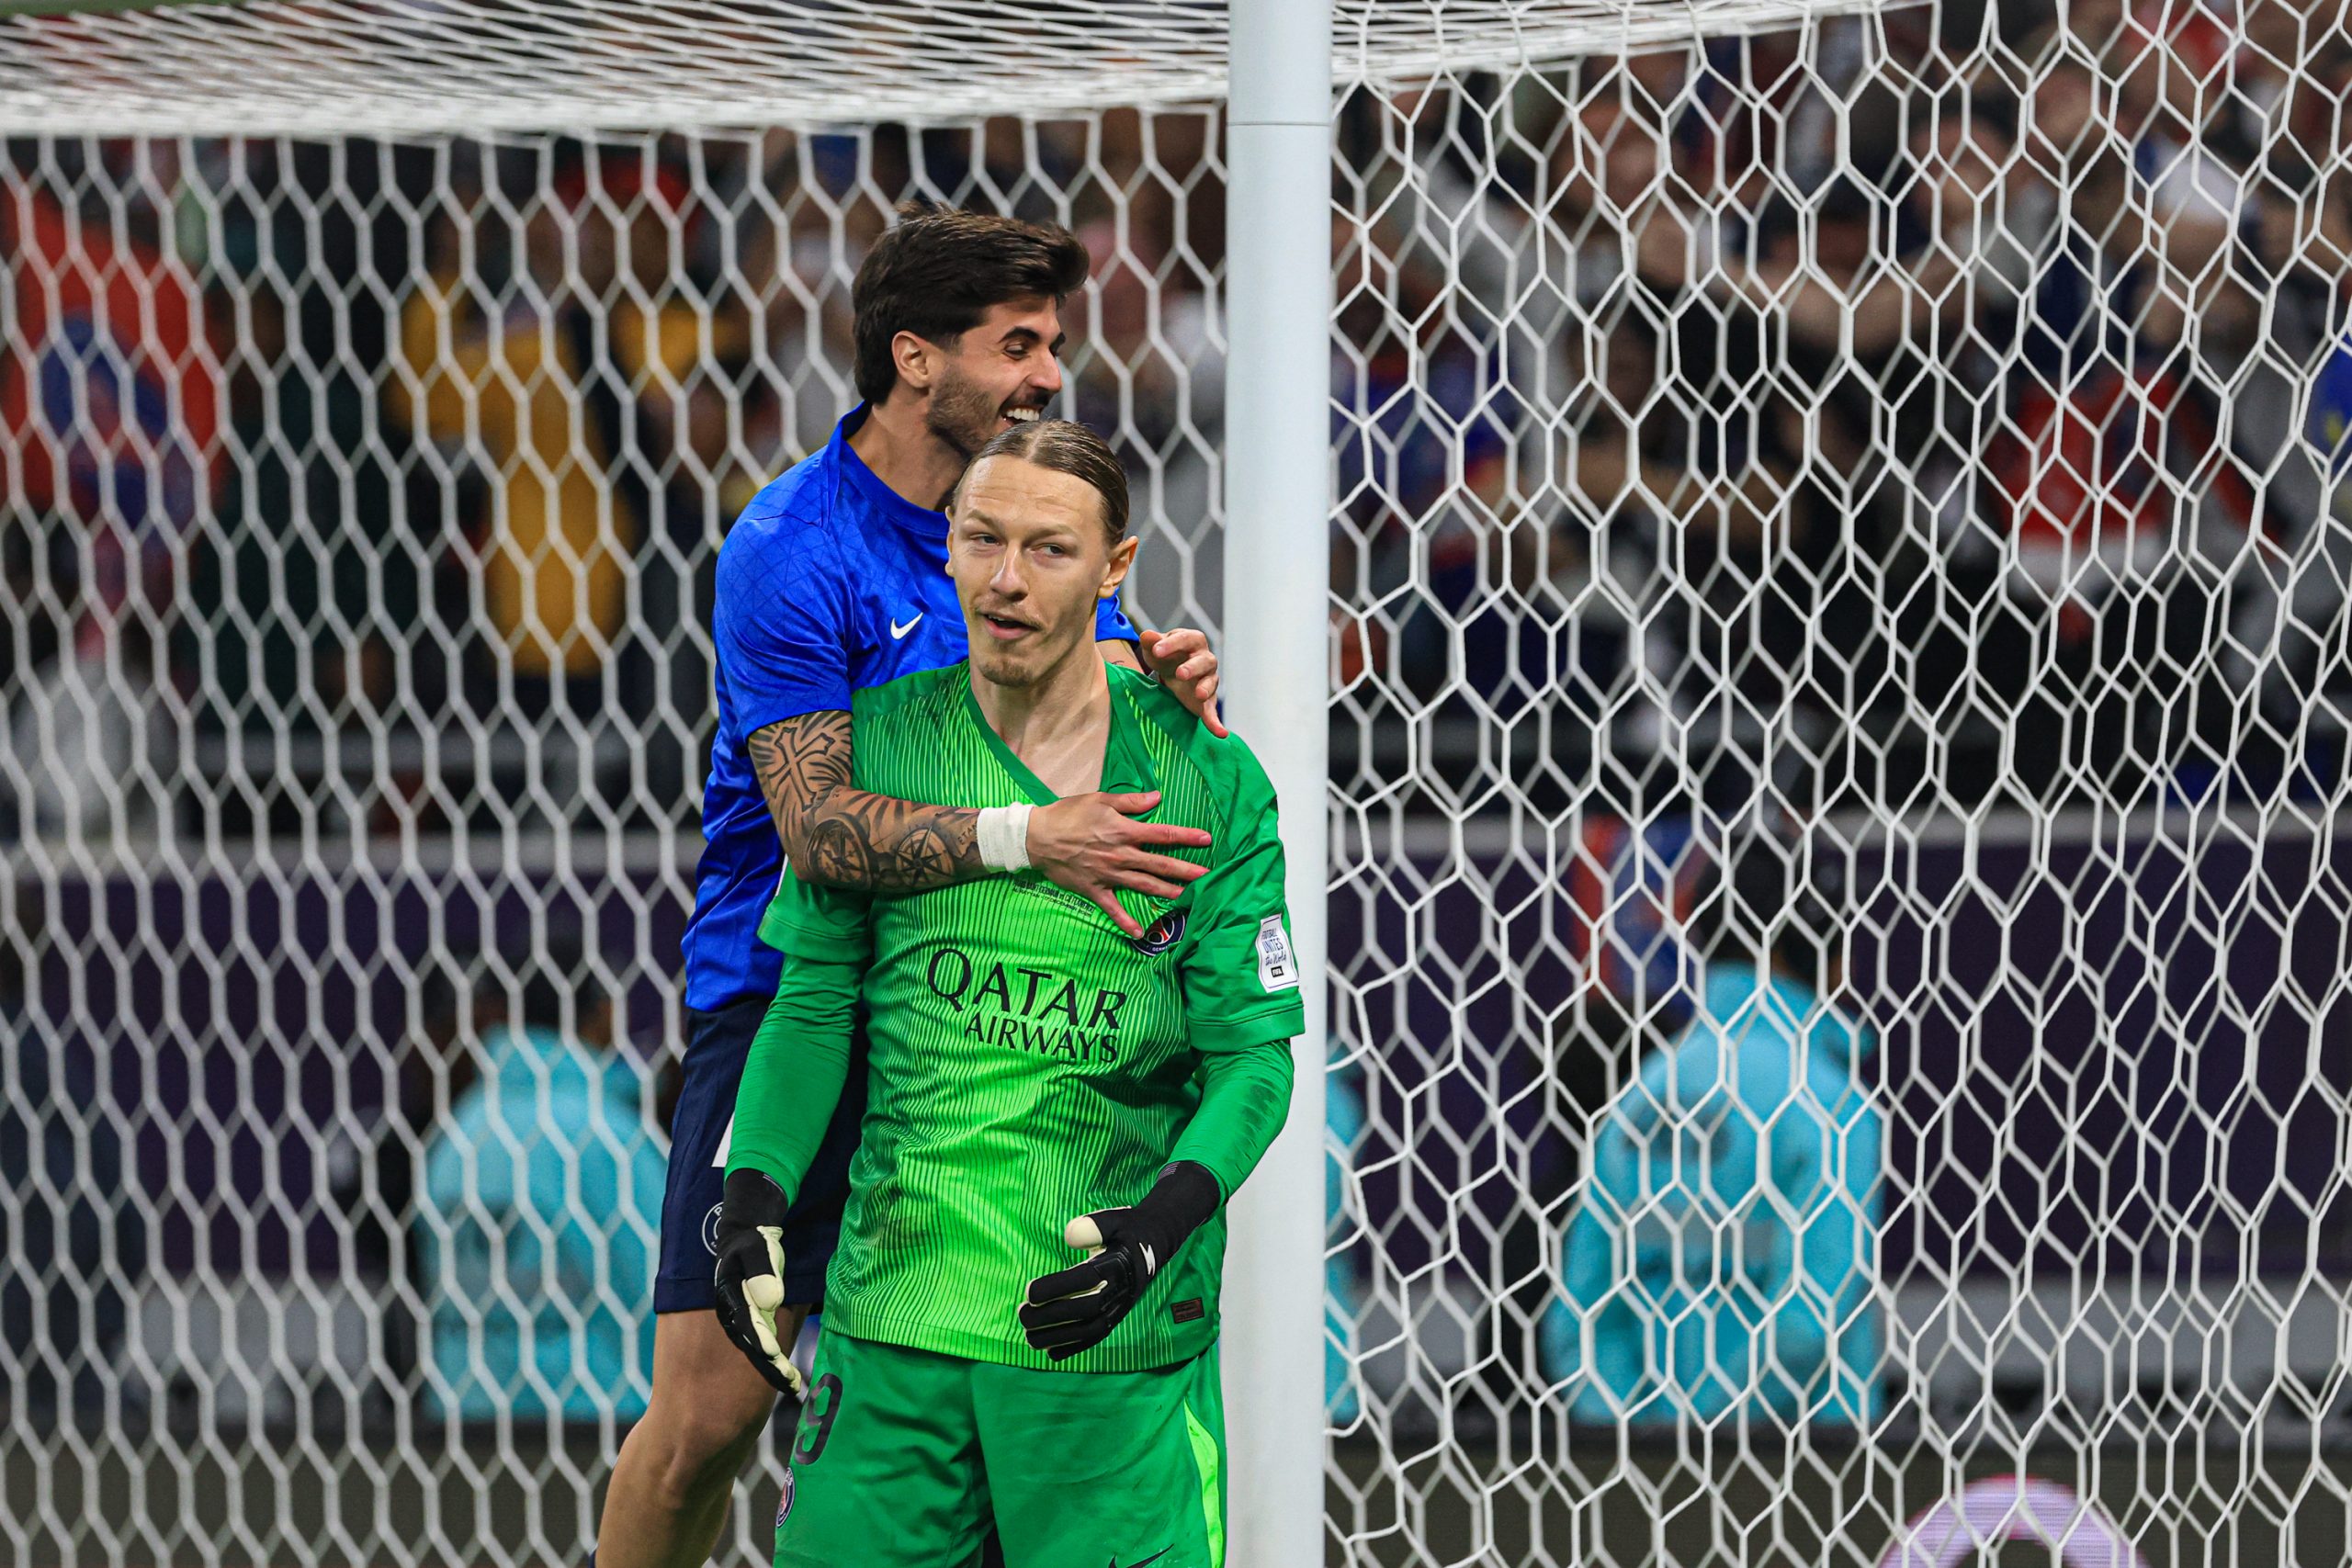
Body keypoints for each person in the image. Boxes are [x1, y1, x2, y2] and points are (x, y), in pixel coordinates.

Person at [594, 206, 1226, 1568]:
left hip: (973, 1025)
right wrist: (1024, 835)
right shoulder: (792, 548)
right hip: (791, 1008)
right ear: (913, 360)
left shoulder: (1027, 526)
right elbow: (818, 830)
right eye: (1018, 346)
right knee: (709, 1412)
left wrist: (1163, 686)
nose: (1050, 374)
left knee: (984, 1392)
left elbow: (1093, 726)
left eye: (1051, 343)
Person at [711, 419, 1300, 1567]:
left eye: (1050, 550)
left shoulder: (1207, 775)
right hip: (897, 1329)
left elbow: (1254, 1058)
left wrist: (1154, 1229)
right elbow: (815, 1003)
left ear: (1116, 571)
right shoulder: (879, 750)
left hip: (1107, 1345)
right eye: (982, 540)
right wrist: (752, 1196)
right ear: (947, 548)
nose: (1008, 580)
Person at [1541, 837, 1883, 1433]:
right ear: (1803, 944)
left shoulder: (1639, 1092)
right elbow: (1808, 1318)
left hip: (1640, 1489)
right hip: (1807, 1481)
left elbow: (1581, 1317)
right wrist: (1717, 1447)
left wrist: (1642, 1442)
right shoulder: (1831, 1105)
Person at [416, 959, 666, 1425]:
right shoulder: (606, 1134)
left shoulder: (460, 1128)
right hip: (594, 1429)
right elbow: (661, 1297)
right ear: (600, 1014)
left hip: (463, 1423)